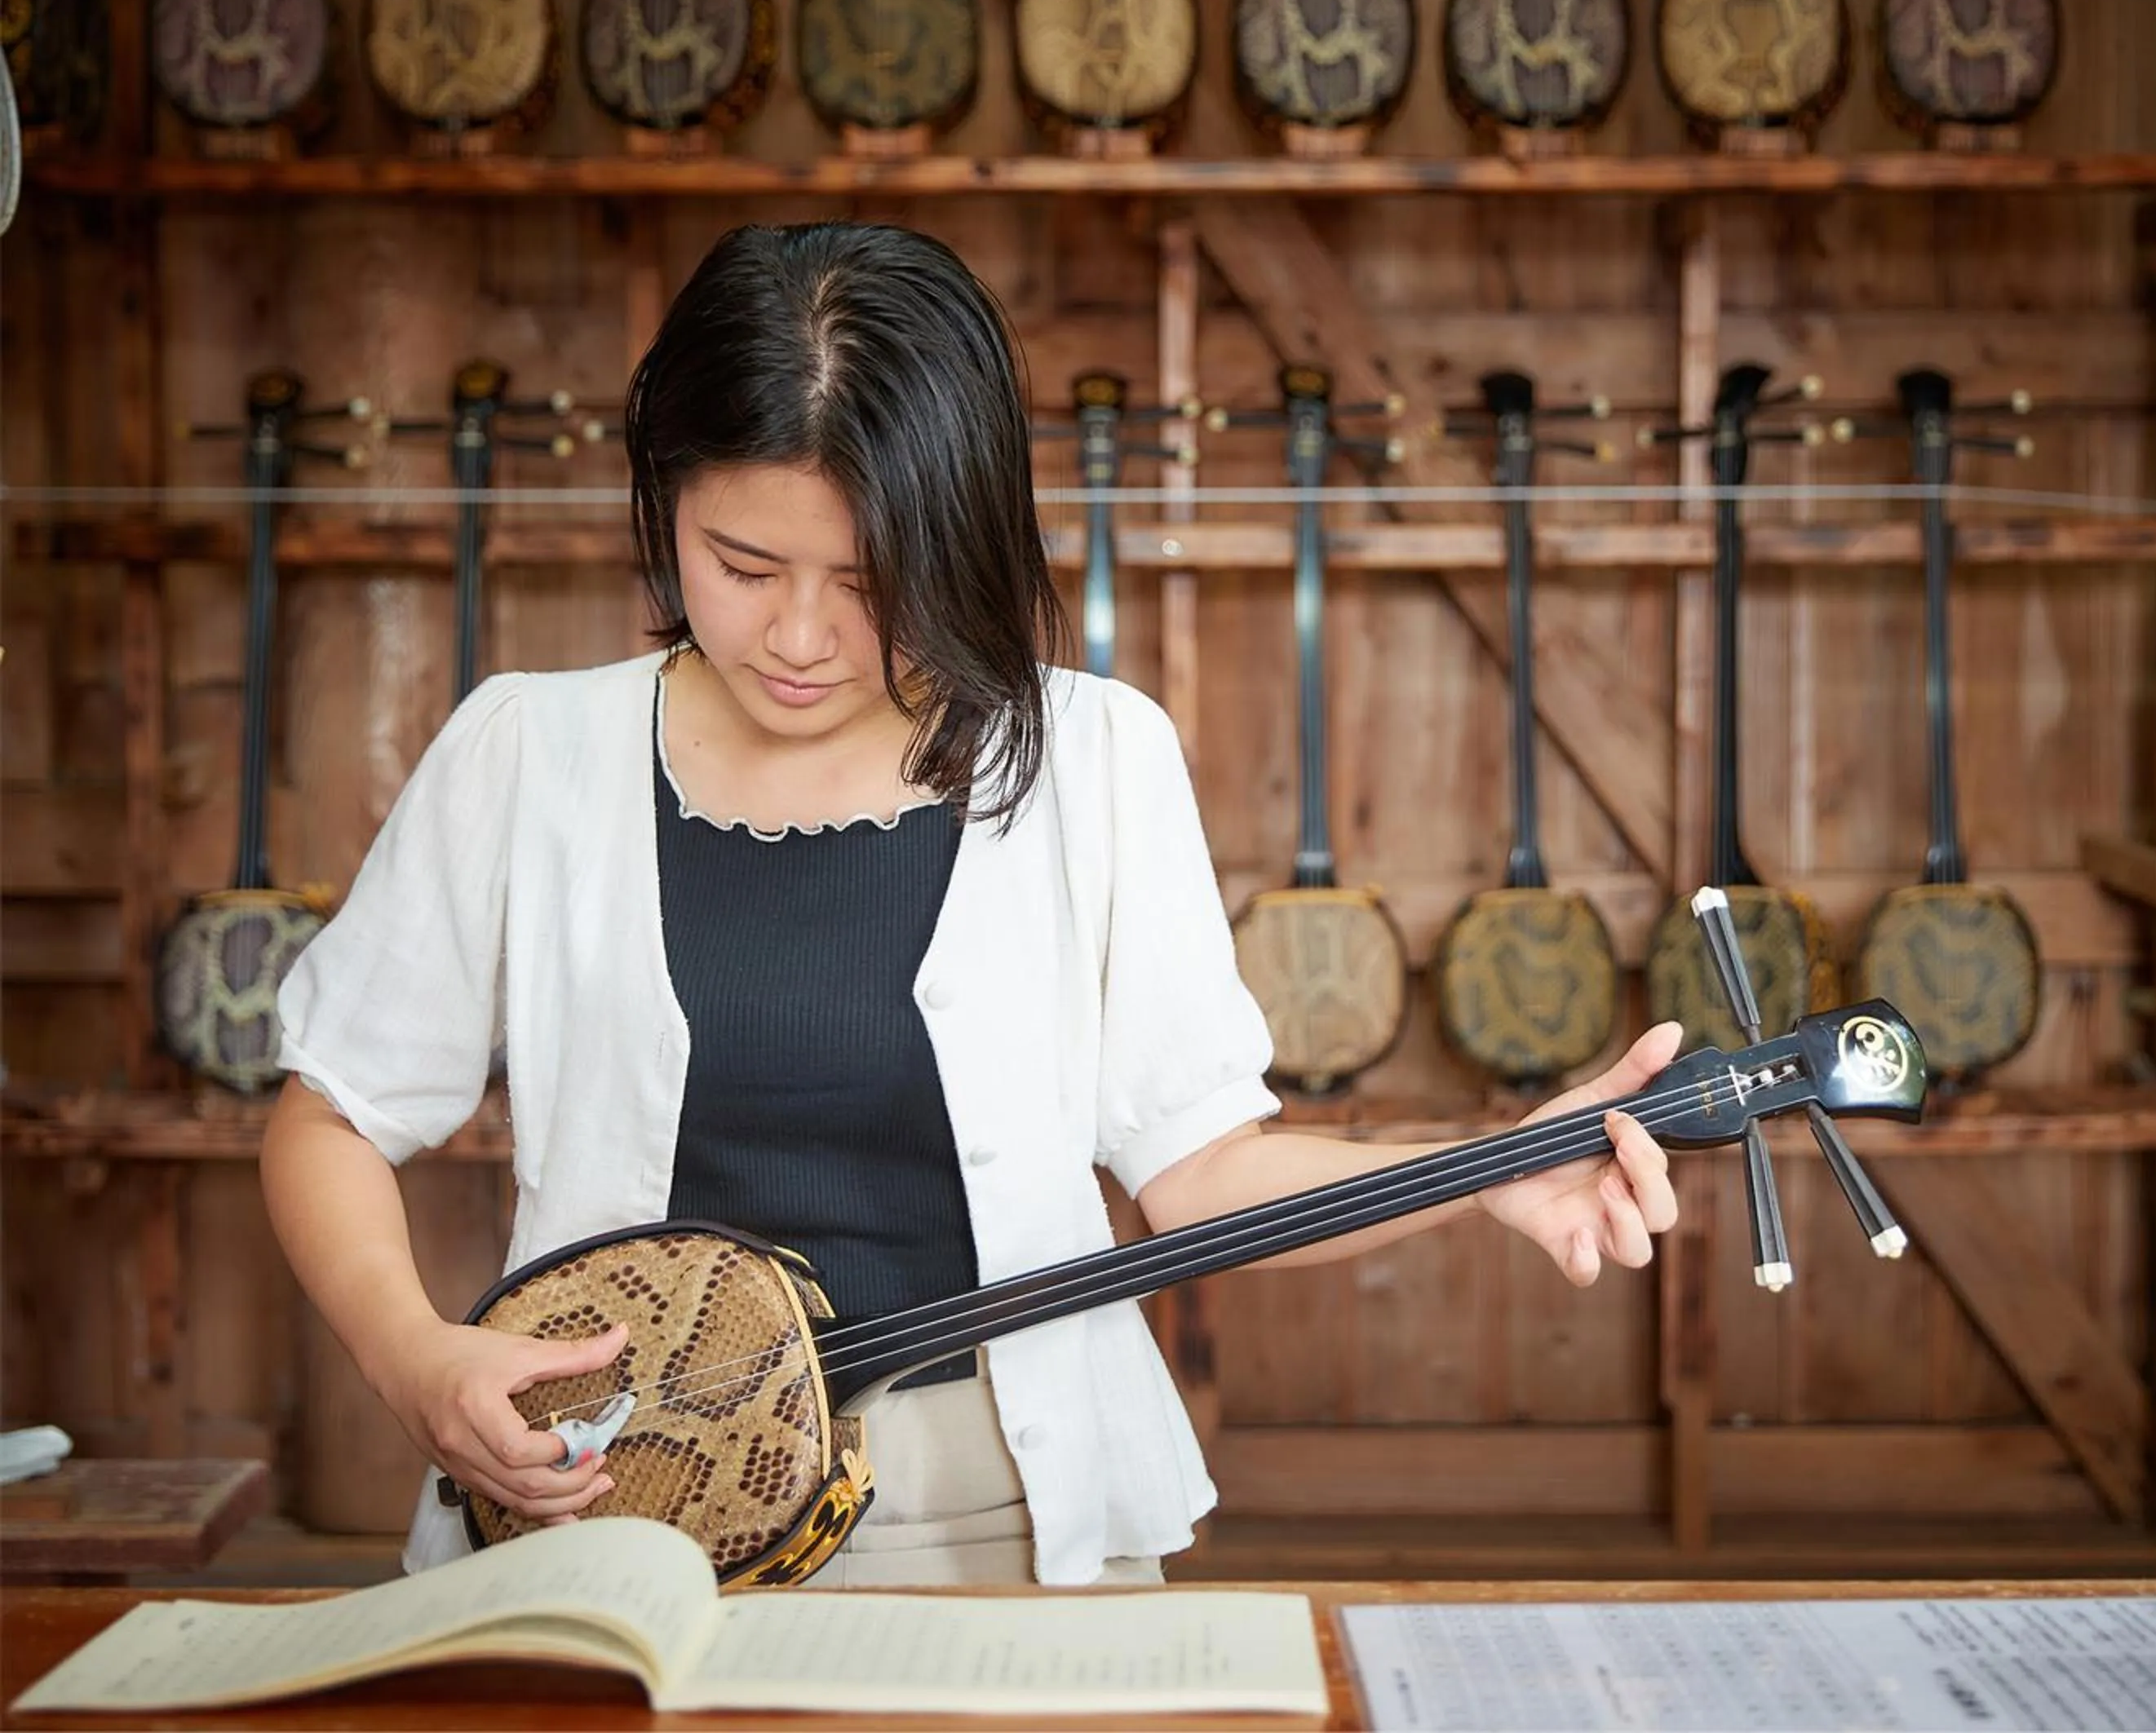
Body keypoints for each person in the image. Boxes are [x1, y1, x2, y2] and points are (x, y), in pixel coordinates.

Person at [259, 220, 1684, 1590]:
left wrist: (1483, 1166)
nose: (801, 636)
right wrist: (414, 1357)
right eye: (742, 567)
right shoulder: (531, 756)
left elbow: (1203, 1169)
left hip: (1003, 1505)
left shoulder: (1095, 760)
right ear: (664, 498)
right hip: (602, 1509)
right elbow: (332, 1111)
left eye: (870, 584)